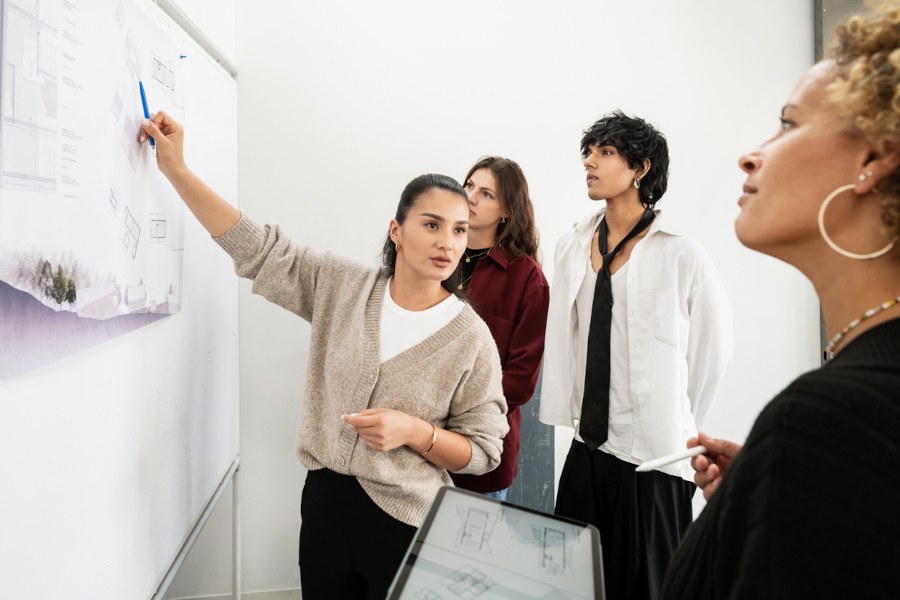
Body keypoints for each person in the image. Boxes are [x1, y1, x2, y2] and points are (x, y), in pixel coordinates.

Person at [138, 116, 508, 599]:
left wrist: (416, 432)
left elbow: (483, 452)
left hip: (408, 522)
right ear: (396, 230)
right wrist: (177, 171)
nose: (447, 242)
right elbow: (257, 249)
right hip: (325, 508)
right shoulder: (342, 286)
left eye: (459, 230)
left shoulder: (470, 338)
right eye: (432, 224)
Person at [663, 3, 900, 597]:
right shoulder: (830, 435)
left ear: (873, 157)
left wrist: (802, 463)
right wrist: (767, 496)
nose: (752, 154)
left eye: (789, 125)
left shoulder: (829, 421)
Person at [539, 111, 733, 600]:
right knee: (571, 584)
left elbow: (710, 355)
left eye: (605, 152)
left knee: (650, 587)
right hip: (588, 448)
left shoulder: (681, 256)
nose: (590, 162)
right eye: (589, 151)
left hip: (654, 460)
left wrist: (674, 426)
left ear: (640, 168)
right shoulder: (572, 245)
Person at [449, 156, 550, 501]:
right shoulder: (438, 255)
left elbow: (521, 382)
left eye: (487, 194)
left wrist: (450, 396)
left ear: (507, 210)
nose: (471, 198)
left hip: (482, 454)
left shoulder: (528, 279)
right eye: (469, 186)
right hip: (415, 452)